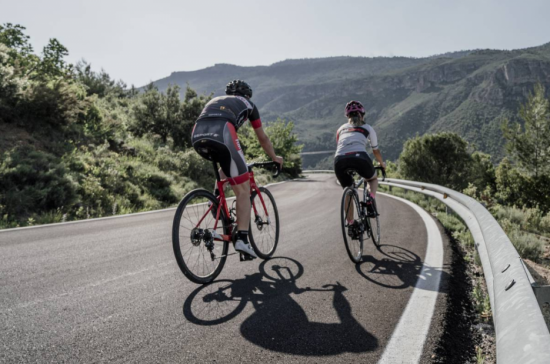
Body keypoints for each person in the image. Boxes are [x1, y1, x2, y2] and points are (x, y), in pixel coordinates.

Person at [192, 80, 283, 259]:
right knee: (243, 190)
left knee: (226, 164)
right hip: (223, 131)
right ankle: (242, 238)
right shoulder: (249, 104)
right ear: (247, 95)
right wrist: (274, 157)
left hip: (197, 134)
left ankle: (215, 199)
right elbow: (262, 138)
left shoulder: (218, 100)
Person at [334, 100, 386, 237]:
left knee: (348, 190)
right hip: (360, 158)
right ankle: (370, 200)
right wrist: (382, 164)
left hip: (339, 160)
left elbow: (341, 146)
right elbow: (376, 151)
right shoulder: (368, 128)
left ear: (347, 117)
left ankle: (351, 224)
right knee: (372, 179)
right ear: (362, 115)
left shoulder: (340, 129)